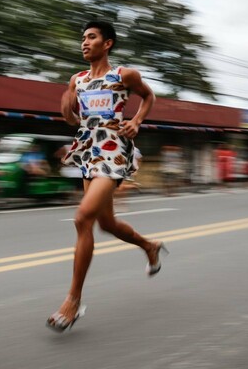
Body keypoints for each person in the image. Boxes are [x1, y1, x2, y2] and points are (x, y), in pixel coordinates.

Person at [46, 20, 166, 332]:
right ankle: (149, 246)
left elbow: (149, 96)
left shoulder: (124, 75)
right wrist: (66, 105)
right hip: (89, 153)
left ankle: (73, 301)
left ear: (107, 43)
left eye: (91, 37)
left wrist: (137, 120)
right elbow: (73, 118)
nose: (84, 42)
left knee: (83, 218)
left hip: (114, 154)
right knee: (106, 223)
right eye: (82, 38)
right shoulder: (78, 79)